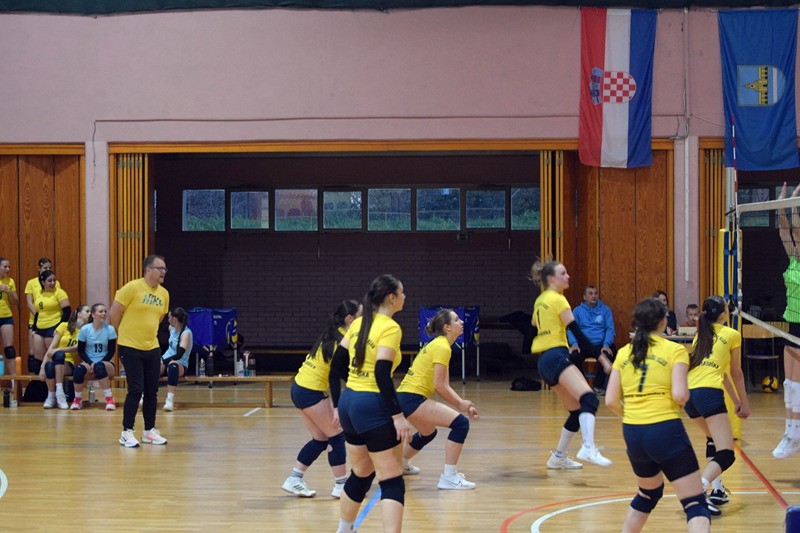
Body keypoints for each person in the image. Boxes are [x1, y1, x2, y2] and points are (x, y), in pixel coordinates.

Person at [606, 297, 711, 533]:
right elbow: (680, 395)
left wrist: (635, 413)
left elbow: (610, 400)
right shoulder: (675, 350)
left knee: (647, 493)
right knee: (695, 503)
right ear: (663, 322)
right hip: (664, 428)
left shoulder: (623, 353)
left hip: (632, 431)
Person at [329, 274, 414, 533]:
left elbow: (337, 365)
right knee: (391, 480)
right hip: (373, 406)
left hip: (350, 402)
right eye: (402, 292)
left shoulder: (358, 323)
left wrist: (355, 388)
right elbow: (381, 373)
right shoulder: (390, 327)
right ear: (392, 297)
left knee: (361, 473)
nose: (405, 297)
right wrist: (397, 416)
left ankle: (344, 529)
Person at [530, 259, 612, 469]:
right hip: (557, 356)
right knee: (590, 399)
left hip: (544, 362)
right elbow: (578, 334)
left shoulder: (540, 300)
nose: (568, 276)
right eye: (563, 273)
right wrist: (601, 357)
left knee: (576, 411)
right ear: (551, 278)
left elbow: (534, 323)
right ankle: (588, 447)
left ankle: (558, 458)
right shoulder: (559, 299)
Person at [282, 299, 361, 499]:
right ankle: (341, 485)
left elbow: (341, 372)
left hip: (300, 387)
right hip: (310, 390)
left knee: (320, 438)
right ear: (350, 319)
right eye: (361, 315)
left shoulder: (333, 333)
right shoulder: (342, 340)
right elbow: (335, 376)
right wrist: (336, 407)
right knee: (337, 435)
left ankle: (294, 479)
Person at [396, 308, 480, 489]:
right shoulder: (442, 347)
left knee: (428, 432)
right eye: (457, 320)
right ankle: (449, 477)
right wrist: (461, 404)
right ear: (447, 327)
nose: (462, 322)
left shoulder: (441, 345)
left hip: (405, 397)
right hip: (411, 398)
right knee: (460, 424)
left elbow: (444, 384)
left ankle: (401, 464)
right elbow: (440, 386)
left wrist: (462, 403)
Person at [685, 295, 749, 515]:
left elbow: (722, 375)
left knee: (713, 439)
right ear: (723, 314)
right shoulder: (732, 334)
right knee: (727, 453)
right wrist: (745, 404)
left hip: (690, 395)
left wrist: (736, 401)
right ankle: (698, 492)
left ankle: (718, 490)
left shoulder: (700, 335)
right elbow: (736, 373)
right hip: (708, 394)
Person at [109, 255, 170, 448]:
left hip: (152, 347)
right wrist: (123, 334)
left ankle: (149, 431)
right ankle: (126, 431)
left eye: (165, 269)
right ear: (148, 270)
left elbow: (159, 318)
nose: (163, 272)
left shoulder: (164, 294)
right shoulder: (132, 288)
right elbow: (114, 313)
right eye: (160, 268)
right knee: (136, 389)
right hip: (129, 346)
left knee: (152, 390)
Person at [774, 182, 800, 459]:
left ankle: (795, 433)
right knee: (789, 384)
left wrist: (794, 204)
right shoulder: (793, 260)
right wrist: (783, 203)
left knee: (798, 384)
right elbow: (785, 230)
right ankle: (790, 432)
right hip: (792, 322)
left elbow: (796, 231)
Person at [567, 285, 616, 396]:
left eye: (596, 293)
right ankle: (583, 386)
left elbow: (610, 328)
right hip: (583, 344)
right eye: (590, 293)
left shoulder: (605, 310)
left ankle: (598, 386)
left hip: (600, 344)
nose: (594, 296)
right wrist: (574, 344)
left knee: (609, 354)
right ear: (584, 297)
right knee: (573, 356)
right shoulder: (577, 311)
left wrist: (606, 344)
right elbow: (571, 329)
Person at [41, 304, 90, 409]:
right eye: (87, 311)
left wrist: (59, 350)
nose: (90, 313)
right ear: (79, 314)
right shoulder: (64, 326)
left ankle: (59, 393)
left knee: (59, 354)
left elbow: (77, 347)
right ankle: (51, 397)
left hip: (68, 363)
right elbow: (52, 347)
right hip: (55, 360)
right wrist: (42, 366)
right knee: (49, 366)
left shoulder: (86, 331)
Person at [71, 303, 118, 411]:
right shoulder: (85, 329)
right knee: (78, 369)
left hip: (106, 363)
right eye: (100, 311)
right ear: (93, 314)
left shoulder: (110, 329)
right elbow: (81, 351)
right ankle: (77, 399)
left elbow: (111, 351)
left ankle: (109, 399)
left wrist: (97, 363)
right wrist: (90, 363)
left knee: (99, 367)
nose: (104, 314)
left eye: (105, 311)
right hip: (89, 363)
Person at [31, 270, 70, 374]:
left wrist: (59, 328)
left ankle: (55, 383)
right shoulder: (40, 294)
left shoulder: (59, 292)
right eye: (49, 281)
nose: (53, 283)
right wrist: (34, 329)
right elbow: (37, 313)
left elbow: (67, 311)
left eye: (54, 280)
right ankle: (40, 383)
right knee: (38, 360)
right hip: (40, 328)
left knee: (51, 357)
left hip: (53, 327)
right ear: (43, 282)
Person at [24, 258, 59, 374]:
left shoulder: (54, 282)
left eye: (50, 268)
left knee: (50, 351)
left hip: (51, 321)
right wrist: (38, 315)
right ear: (39, 268)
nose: (47, 269)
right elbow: (29, 302)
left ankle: (51, 378)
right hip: (35, 321)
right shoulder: (31, 283)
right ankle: (34, 379)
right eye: (45, 268)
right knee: (33, 352)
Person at [159, 307, 194, 412]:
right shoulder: (172, 328)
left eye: (169, 317)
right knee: (153, 366)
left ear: (174, 319)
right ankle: (145, 395)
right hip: (166, 359)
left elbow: (179, 355)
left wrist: (163, 361)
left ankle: (169, 400)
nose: (168, 319)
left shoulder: (186, 333)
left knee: (173, 366)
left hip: (180, 363)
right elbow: (160, 326)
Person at [0, 257, 19, 376]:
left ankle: (14, 381)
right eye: (5, 266)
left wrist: (9, 291)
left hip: (6, 316)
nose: (7, 269)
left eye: (9, 267)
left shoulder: (10, 281)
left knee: (9, 349)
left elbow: (15, 302)